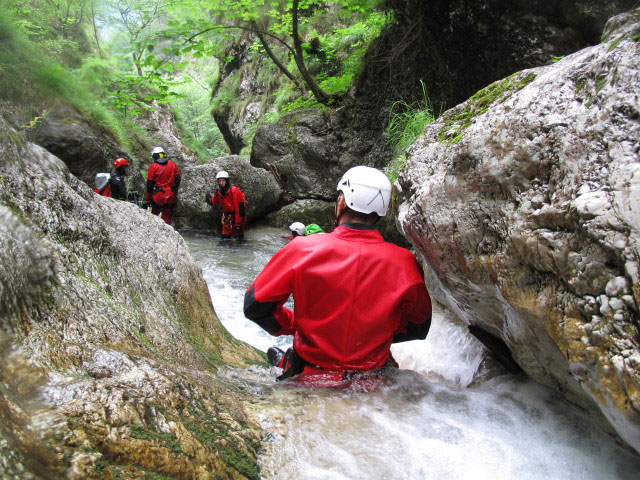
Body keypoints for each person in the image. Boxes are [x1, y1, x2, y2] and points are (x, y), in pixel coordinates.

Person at [244, 166, 432, 386]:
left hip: (310, 370)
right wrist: (376, 338)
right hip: (372, 379)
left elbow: (255, 306)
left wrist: (295, 325)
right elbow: (418, 326)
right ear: (381, 211)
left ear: (342, 202)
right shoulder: (404, 261)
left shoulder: (302, 249)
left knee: (274, 352)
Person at [205, 170, 246, 240]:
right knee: (225, 238)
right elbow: (214, 201)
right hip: (227, 217)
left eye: (223, 180)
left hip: (237, 216)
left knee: (239, 237)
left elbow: (240, 208)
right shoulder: (218, 191)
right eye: (219, 181)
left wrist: (238, 224)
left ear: (227, 180)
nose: (221, 183)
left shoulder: (235, 191)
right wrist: (209, 199)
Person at [145, 147, 180, 225]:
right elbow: (177, 179)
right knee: (166, 217)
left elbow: (149, 185)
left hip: (158, 196)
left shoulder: (153, 166)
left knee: (154, 216)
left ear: (154, 156)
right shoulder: (172, 164)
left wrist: (148, 199)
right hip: (171, 195)